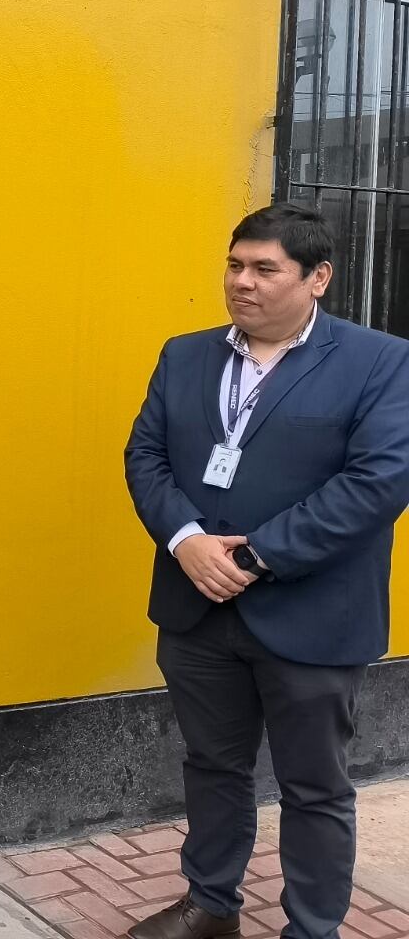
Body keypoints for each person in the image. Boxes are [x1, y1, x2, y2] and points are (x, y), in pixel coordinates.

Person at [123, 201, 409, 939]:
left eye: (264, 269)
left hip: (312, 615)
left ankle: (313, 928)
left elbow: (375, 485)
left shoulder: (379, 362)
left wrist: (256, 556)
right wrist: (187, 539)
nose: (241, 283)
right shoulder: (185, 355)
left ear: (317, 278)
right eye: (234, 265)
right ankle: (209, 905)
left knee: (315, 788)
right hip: (197, 609)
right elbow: (145, 456)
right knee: (211, 767)